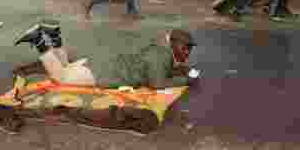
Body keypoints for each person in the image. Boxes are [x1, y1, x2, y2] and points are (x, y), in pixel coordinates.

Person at [16, 21, 199, 90]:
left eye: (189, 49)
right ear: (173, 44)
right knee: (61, 77)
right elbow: (157, 83)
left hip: (103, 65)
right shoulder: (161, 56)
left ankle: (54, 35)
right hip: (103, 72)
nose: (187, 52)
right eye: (185, 48)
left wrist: (179, 70)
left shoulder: (160, 51)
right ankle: (39, 39)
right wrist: (185, 80)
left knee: (64, 68)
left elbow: (158, 70)